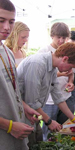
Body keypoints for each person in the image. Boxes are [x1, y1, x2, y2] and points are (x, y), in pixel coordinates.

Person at [17, 42, 75, 146]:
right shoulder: (37, 64)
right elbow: (31, 102)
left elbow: (58, 96)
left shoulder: (52, 66)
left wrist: (74, 119)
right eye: (71, 67)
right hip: (21, 118)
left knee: (38, 143)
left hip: (34, 117)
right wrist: (49, 121)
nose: (70, 71)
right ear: (65, 58)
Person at [0, 0, 40, 149]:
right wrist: (10, 126)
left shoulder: (8, 53)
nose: (6, 27)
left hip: (17, 140)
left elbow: (12, 91)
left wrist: (24, 108)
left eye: (11, 22)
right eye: (1, 20)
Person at [37, 22, 75, 141]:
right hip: (49, 100)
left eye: (64, 37)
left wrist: (71, 82)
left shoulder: (67, 49)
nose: (61, 40)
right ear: (52, 35)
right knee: (49, 131)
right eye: (59, 37)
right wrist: (60, 73)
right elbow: (43, 75)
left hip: (65, 96)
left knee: (65, 130)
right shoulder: (44, 51)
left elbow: (71, 71)